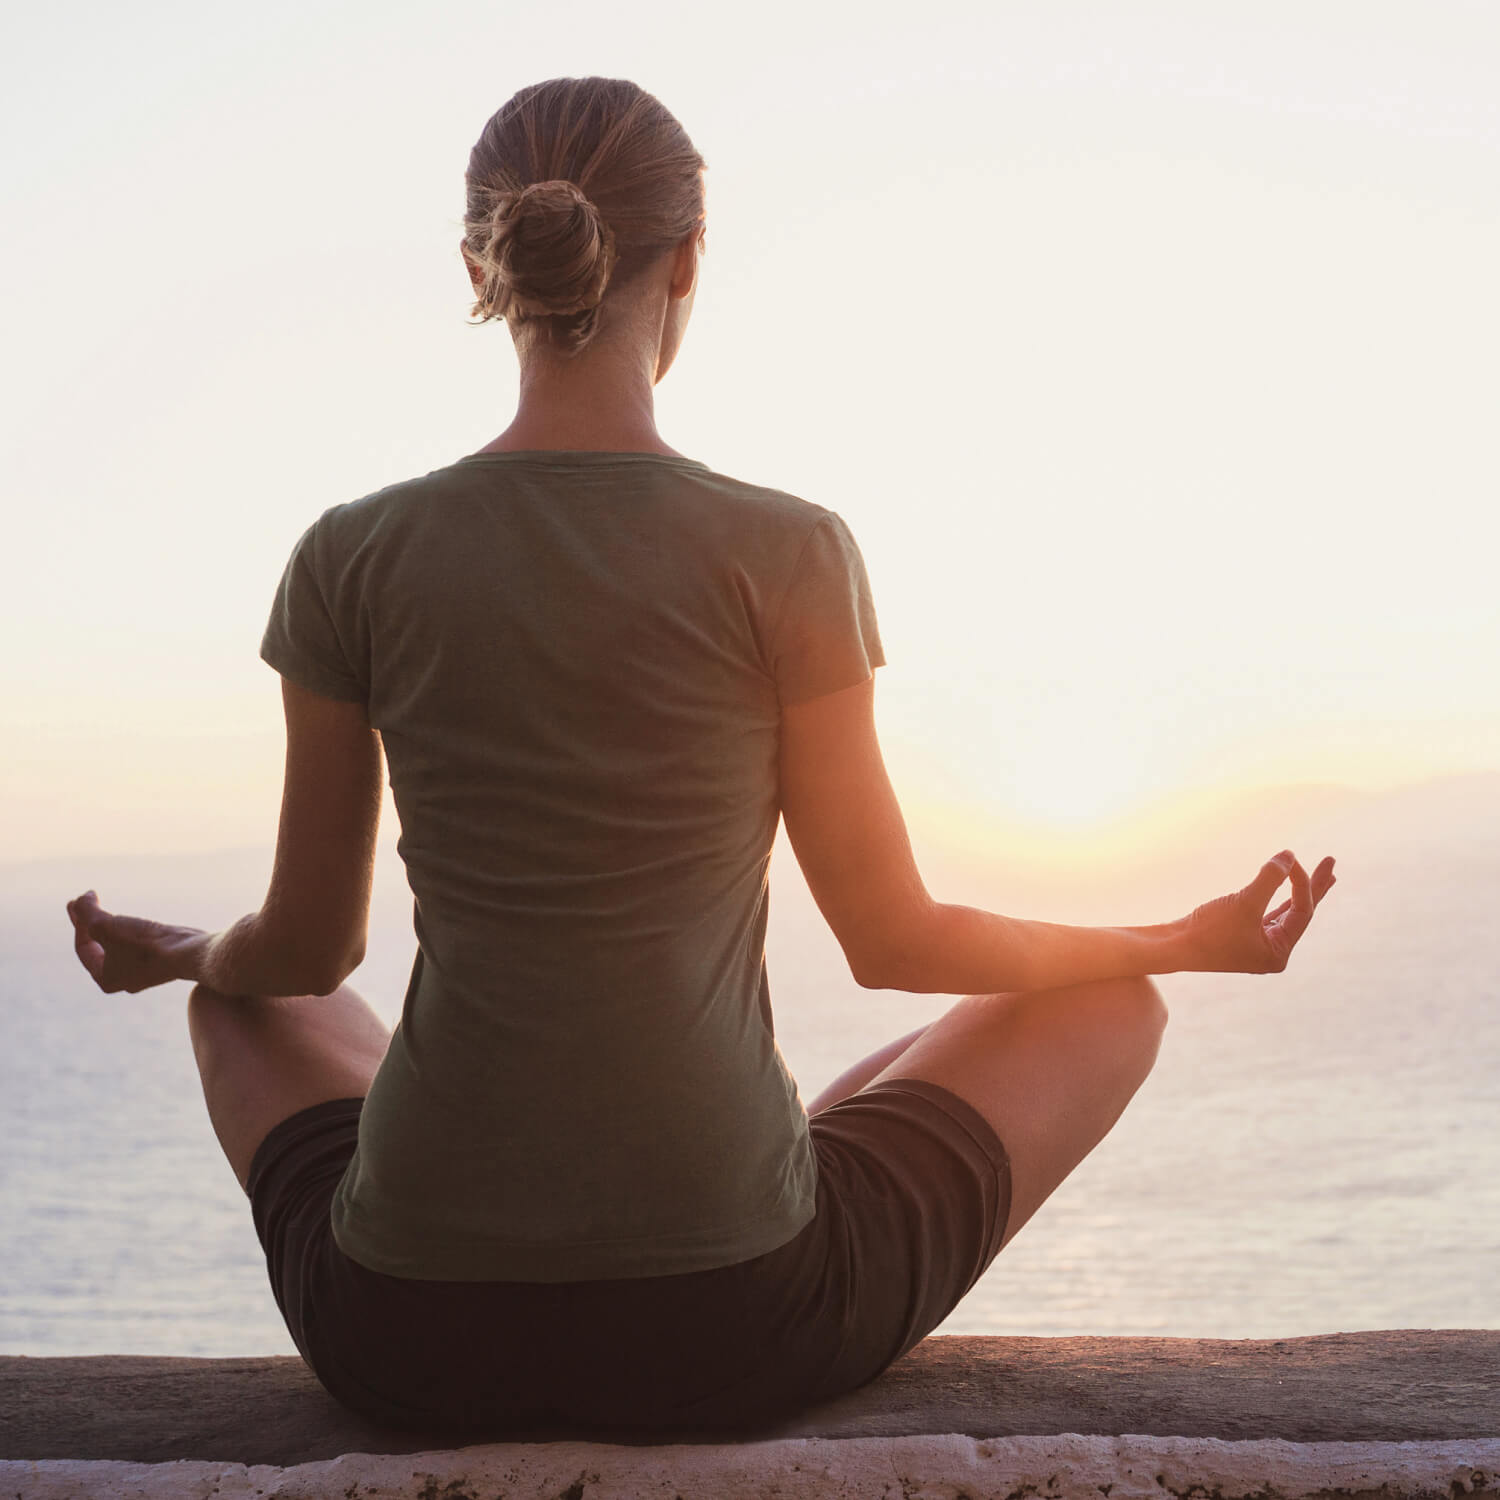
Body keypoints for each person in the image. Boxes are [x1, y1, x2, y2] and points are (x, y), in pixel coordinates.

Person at [65, 76, 1336, 1436]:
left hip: (409, 1331)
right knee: (1116, 1000)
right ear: (692, 261)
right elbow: (896, 939)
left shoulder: (352, 554)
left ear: (477, 269)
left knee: (241, 998)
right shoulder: (786, 552)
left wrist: (185, 954)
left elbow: (307, 954)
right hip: (731, 1325)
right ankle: (764, 1157)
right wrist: (1175, 938)